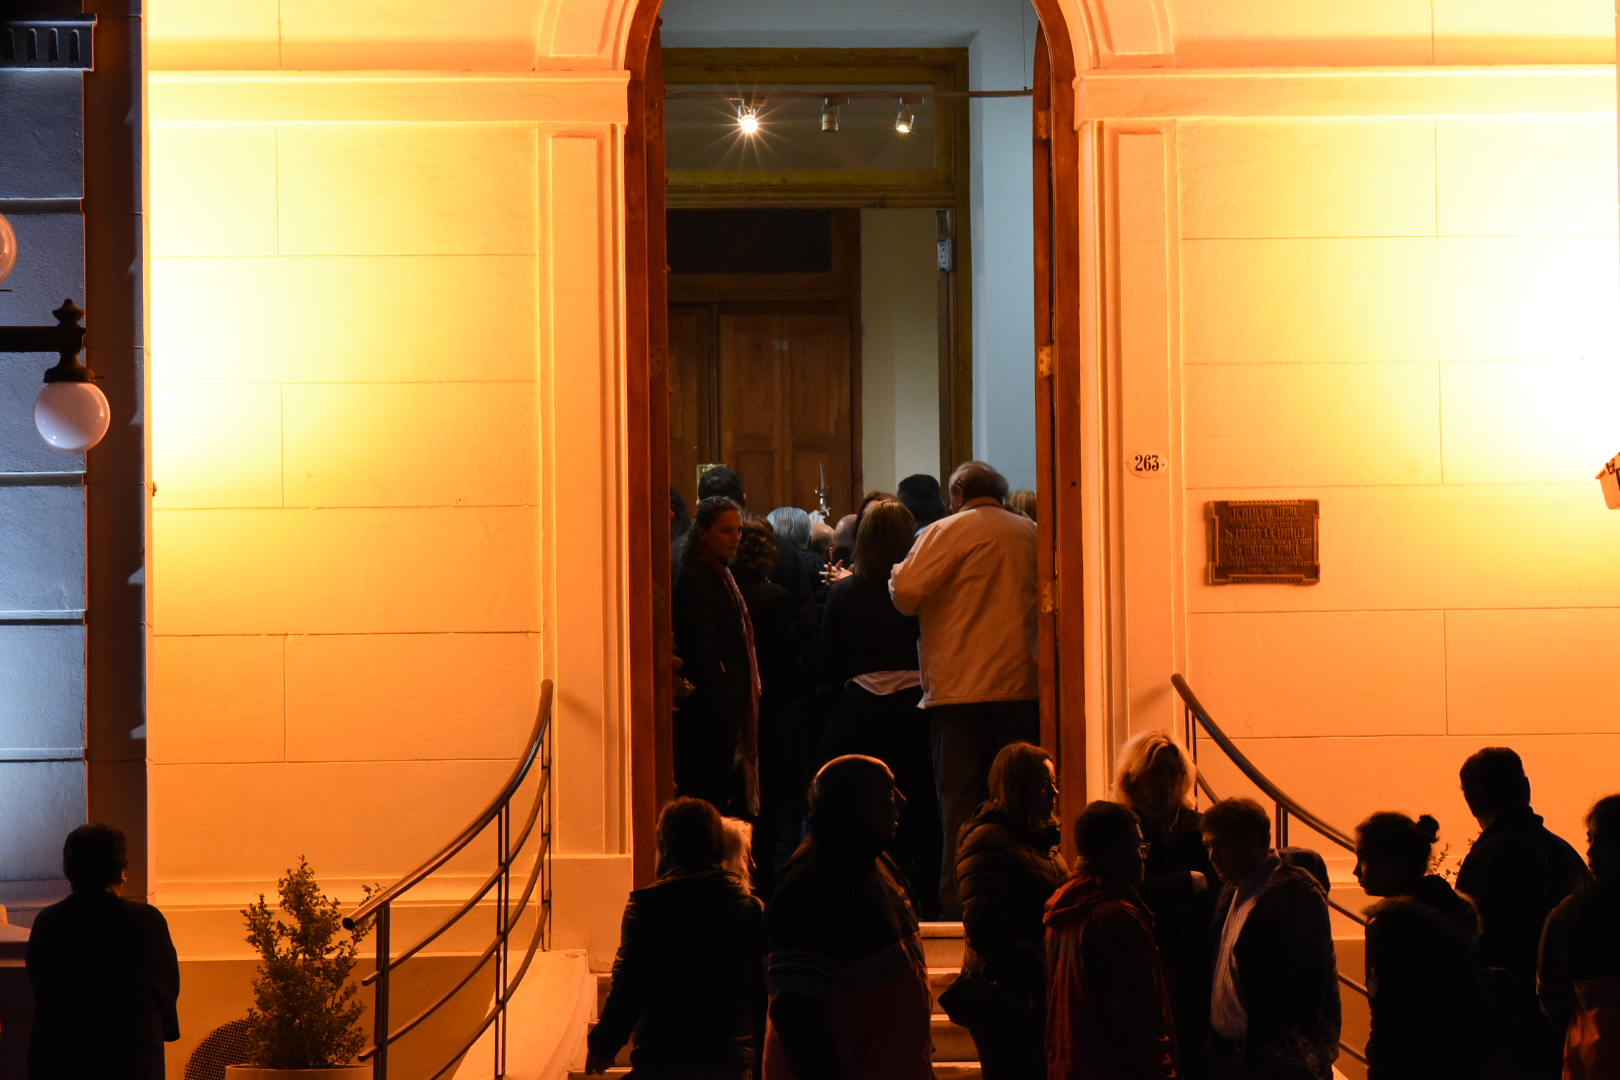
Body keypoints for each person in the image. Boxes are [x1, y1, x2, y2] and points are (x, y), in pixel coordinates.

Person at [889, 460, 1039, 917]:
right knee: (1019, 795)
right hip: (1019, 684)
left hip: (957, 686)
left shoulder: (944, 532)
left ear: (956, 495)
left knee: (957, 800)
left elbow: (905, 595)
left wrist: (896, 572)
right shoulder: (1029, 532)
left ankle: (959, 901)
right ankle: (1022, 893)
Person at [763, 755, 932, 1080]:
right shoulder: (810, 885)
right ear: (857, 806)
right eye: (889, 791)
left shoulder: (875, 865)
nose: (901, 801)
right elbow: (796, 1014)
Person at [586, 798, 766, 1078]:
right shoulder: (748, 907)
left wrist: (602, 1046)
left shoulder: (649, 906)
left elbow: (630, 985)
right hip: (728, 1059)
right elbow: (759, 994)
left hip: (664, 1057)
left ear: (666, 845)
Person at [818, 499, 938, 916]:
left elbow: (829, 661)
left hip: (860, 714)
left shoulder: (844, 591)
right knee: (920, 809)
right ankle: (922, 899)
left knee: (856, 806)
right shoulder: (919, 592)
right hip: (915, 711)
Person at [1456, 747, 1589, 1078]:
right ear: (1525, 788)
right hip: (1568, 1023)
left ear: (1471, 800)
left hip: (1512, 1035)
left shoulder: (1486, 860)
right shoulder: (1563, 852)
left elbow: (1476, 950)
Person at [949, 742, 1067, 1079]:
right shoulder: (987, 840)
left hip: (1036, 992)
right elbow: (986, 926)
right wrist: (1041, 963)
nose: (1054, 792)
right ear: (1018, 786)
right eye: (1044, 783)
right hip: (1007, 998)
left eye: (1054, 782)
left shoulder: (1040, 842)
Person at [26, 823, 180, 1080]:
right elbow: (165, 985)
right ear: (121, 870)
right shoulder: (146, 921)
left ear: (69, 870)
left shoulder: (49, 921)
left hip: (62, 1057)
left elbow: (39, 983)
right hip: (131, 1055)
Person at [1203, 797, 1340, 1080]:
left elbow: (1305, 993)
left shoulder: (1295, 896)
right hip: (1231, 1058)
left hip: (1273, 1065)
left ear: (1255, 840)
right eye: (1208, 847)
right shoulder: (1231, 890)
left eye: (1221, 845)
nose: (1212, 857)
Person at [1044, 800, 1176, 1080]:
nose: (1144, 857)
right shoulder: (1117, 917)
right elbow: (1138, 1018)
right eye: (1139, 848)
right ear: (1117, 850)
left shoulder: (1063, 909)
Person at [1353, 811, 1488, 1080]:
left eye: (1364, 858)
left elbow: (1389, 1018)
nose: (1356, 870)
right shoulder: (1456, 915)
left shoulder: (1390, 925)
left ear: (1394, 863)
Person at [1115, 732, 1217, 1078]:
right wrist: (1185, 881)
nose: (1167, 782)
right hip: (1140, 967)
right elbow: (1120, 890)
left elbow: (1218, 894)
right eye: (1156, 773)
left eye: (1174, 773)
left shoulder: (1201, 829)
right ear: (1133, 778)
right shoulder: (1120, 831)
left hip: (1196, 970)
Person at [671, 496, 757, 812]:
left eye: (739, 530)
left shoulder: (719, 571)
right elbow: (702, 650)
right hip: (706, 713)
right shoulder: (697, 576)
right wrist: (724, 706)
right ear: (703, 533)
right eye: (726, 530)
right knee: (707, 797)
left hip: (718, 706)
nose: (736, 537)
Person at [733, 517, 803, 885]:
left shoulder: (728, 592)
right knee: (773, 805)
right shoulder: (774, 597)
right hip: (773, 713)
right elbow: (790, 659)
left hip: (736, 709)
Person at [1538, 794, 1620, 1080]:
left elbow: (1551, 1000)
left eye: (1605, 841)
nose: (1591, 852)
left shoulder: (1568, 916)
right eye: (1590, 839)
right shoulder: (1567, 916)